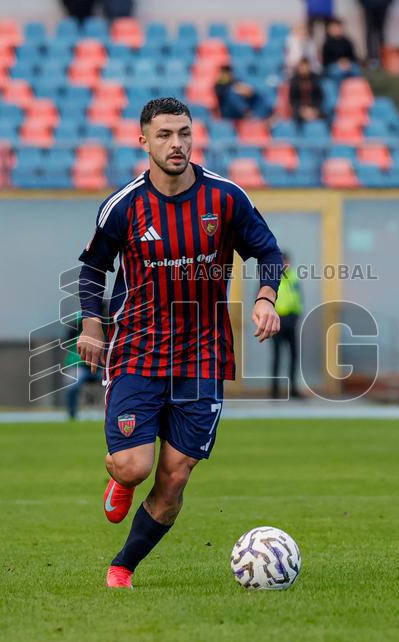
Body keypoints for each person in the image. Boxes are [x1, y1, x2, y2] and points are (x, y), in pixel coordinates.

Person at [75, 97, 284, 589]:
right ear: (143, 140)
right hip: (137, 349)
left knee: (173, 478)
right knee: (134, 466)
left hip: (202, 352)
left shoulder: (225, 198)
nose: (177, 144)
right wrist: (91, 326)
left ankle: (122, 567)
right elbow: (92, 268)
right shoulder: (124, 205)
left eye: (184, 133)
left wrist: (267, 297)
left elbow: (268, 251)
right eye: (165, 135)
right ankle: (121, 479)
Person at [270, 252, 304, 399]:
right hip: (277, 322)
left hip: (291, 321)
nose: (285, 264)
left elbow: (298, 298)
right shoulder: (271, 277)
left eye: (287, 261)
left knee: (293, 356)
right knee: (277, 357)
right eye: (283, 261)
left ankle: (293, 389)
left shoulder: (294, 277)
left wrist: (296, 316)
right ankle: (275, 391)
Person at [63, 312, 102, 420]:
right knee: (72, 385)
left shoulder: (108, 321)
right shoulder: (80, 320)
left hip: (101, 365)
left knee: (117, 382)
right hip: (79, 365)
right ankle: (72, 415)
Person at [288, 57, 325, 123]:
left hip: (314, 109)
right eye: (302, 66)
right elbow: (293, 100)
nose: (304, 68)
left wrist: (314, 110)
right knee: (295, 118)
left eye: (306, 66)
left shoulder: (316, 79)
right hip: (300, 110)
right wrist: (302, 111)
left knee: (325, 117)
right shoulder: (294, 81)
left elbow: (319, 97)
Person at [357, 0, 391, 67]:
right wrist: (364, 3)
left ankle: (383, 57)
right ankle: (371, 57)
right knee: (370, 32)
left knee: (381, 33)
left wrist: (386, 3)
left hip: (382, 5)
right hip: (369, 5)